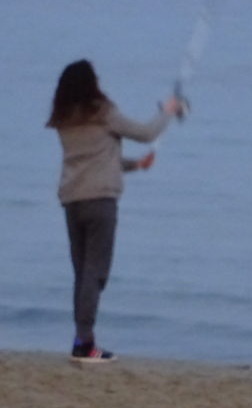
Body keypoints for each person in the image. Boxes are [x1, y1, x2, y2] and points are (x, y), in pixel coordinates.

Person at [46, 59, 185, 363]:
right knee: (95, 274)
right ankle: (84, 344)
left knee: (83, 274)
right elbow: (147, 133)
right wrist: (168, 110)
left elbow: (95, 160)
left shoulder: (64, 119)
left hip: (72, 200)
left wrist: (135, 165)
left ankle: (83, 340)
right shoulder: (103, 112)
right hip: (100, 202)